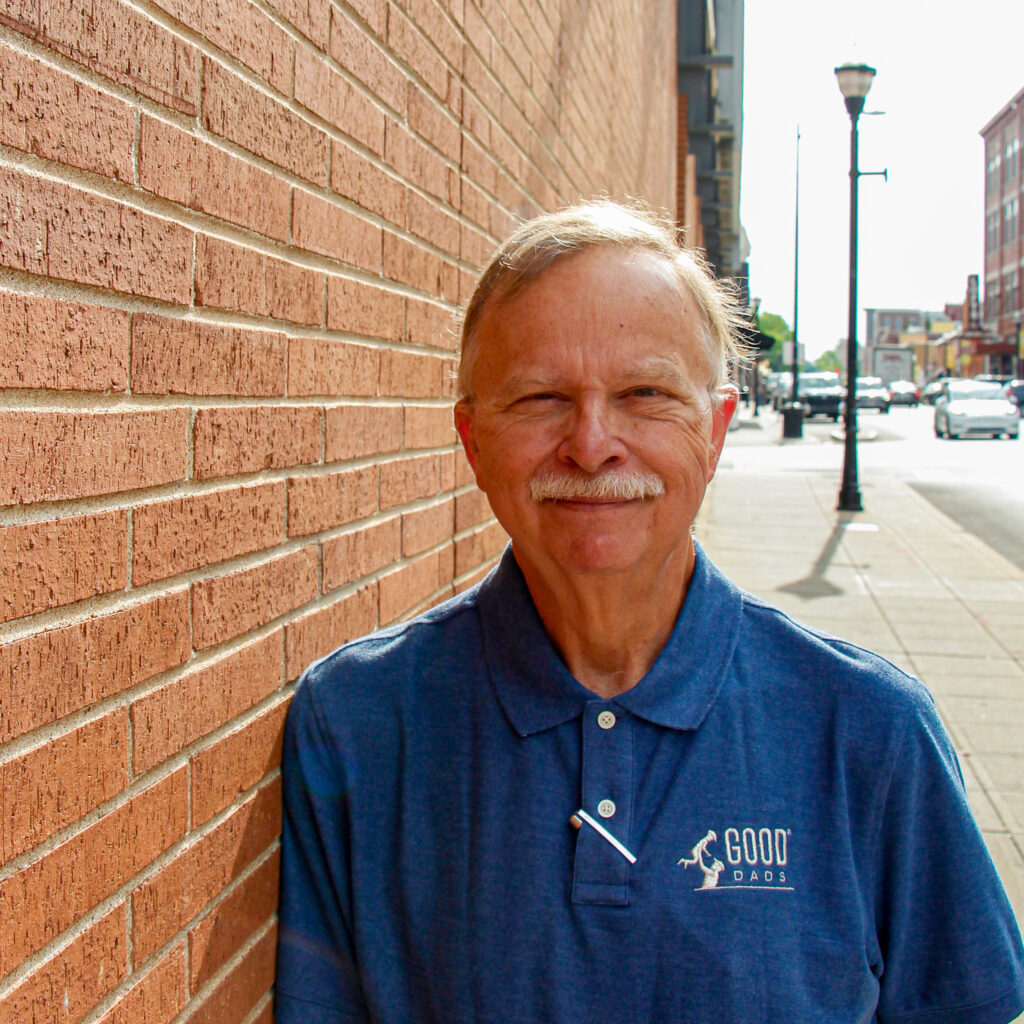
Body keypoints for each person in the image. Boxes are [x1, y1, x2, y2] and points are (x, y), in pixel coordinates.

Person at [275, 200, 1024, 1023]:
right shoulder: (356, 724)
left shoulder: (872, 735)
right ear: (472, 441)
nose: (592, 444)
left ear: (716, 430)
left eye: (645, 392)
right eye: (539, 399)